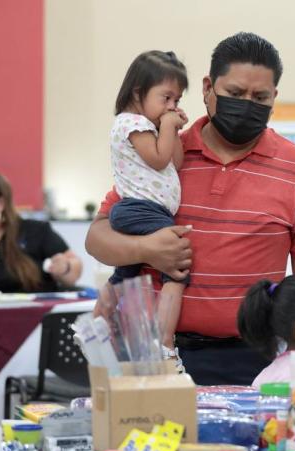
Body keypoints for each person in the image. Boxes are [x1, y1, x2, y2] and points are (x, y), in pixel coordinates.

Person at [86, 33, 295, 386]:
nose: (246, 104)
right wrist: (145, 250)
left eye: (259, 97)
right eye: (234, 94)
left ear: (274, 97)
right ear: (207, 88)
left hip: (255, 361)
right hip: (155, 358)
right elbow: (97, 237)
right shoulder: (164, 153)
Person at [108, 50, 189, 347]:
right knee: (177, 269)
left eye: (177, 101)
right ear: (138, 92)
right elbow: (157, 160)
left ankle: (96, 324)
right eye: (165, 98)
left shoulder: (153, 127)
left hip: (148, 210)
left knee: (125, 273)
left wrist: (173, 130)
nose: (171, 106)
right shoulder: (132, 123)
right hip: (141, 209)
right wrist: (168, 126)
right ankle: (164, 342)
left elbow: (174, 162)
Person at [0, 173, 83, 292]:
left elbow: (74, 270)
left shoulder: (35, 230)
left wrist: (65, 267)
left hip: (34, 308)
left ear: (0, 204)